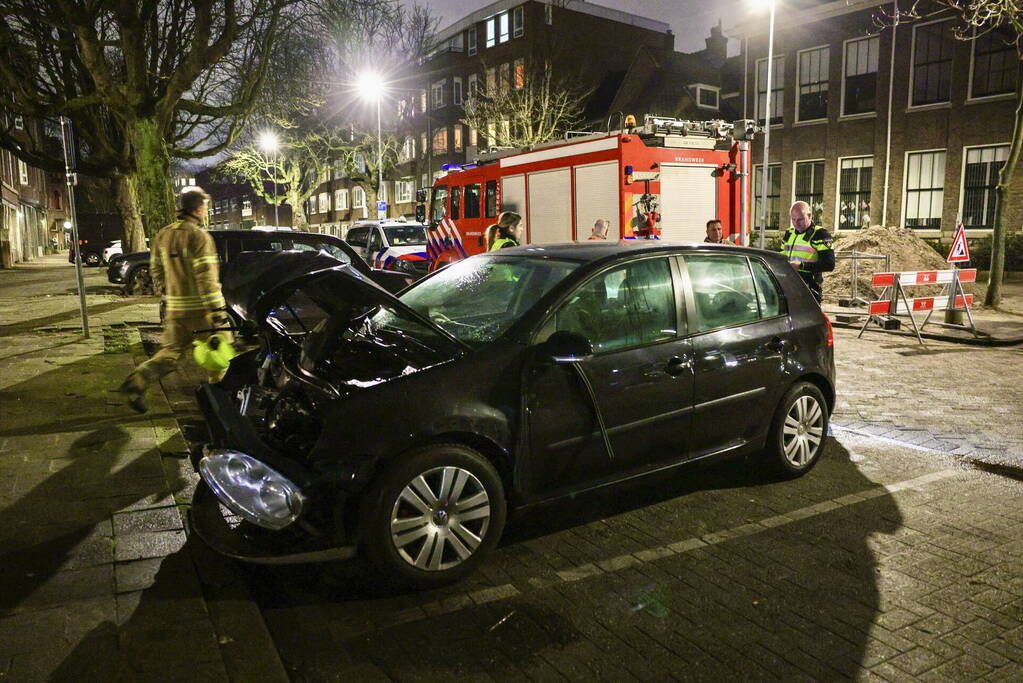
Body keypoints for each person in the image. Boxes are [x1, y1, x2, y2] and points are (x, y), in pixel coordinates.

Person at [117, 188, 232, 413]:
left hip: (175, 310)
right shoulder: (200, 237)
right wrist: (217, 312)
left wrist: (168, 294)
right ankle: (219, 405)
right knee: (221, 354)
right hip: (202, 312)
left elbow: (156, 271)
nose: (206, 212)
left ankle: (139, 380)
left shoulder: (164, 235)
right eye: (206, 208)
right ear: (199, 209)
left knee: (170, 353)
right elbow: (206, 278)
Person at [780, 201, 835, 304]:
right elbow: (781, 255)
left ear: (809, 216)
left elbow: (829, 264)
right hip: (788, 286)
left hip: (809, 288)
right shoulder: (789, 233)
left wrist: (802, 266)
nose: (796, 223)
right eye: (793, 219)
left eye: (800, 219)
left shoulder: (821, 234)